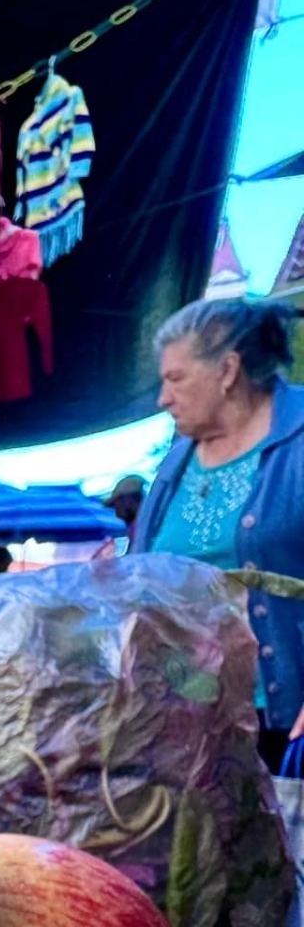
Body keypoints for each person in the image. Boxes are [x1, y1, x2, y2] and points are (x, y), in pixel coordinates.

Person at [133, 298, 304, 768]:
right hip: (193, 720)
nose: (163, 398)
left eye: (175, 378)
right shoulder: (176, 460)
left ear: (227, 371)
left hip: (285, 724)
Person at [108, 474, 146, 544]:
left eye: (115, 504)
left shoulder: (139, 529)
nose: (115, 510)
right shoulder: (141, 525)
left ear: (128, 501)